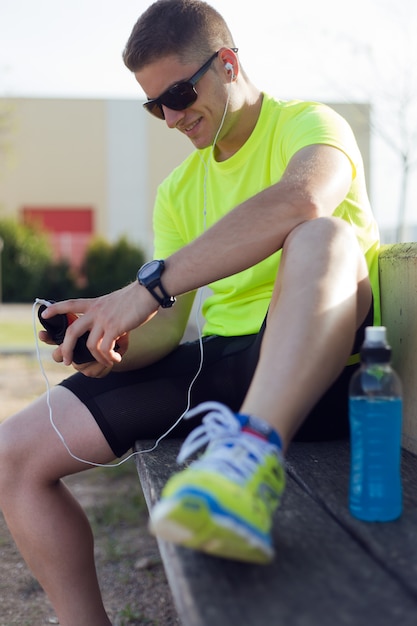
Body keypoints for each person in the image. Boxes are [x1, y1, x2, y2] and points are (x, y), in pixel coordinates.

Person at [0, 0, 380, 624]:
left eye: (178, 92)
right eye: (155, 105)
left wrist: (146, 288)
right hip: (220, 365)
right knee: (14, 453)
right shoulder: (178, 190)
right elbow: (171, 327)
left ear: (228, 62)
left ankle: (248, 465)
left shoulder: (309, 125)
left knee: (321, 235)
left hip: (319, 367)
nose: (172, 117)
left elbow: (304, 198)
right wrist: (114, 338)